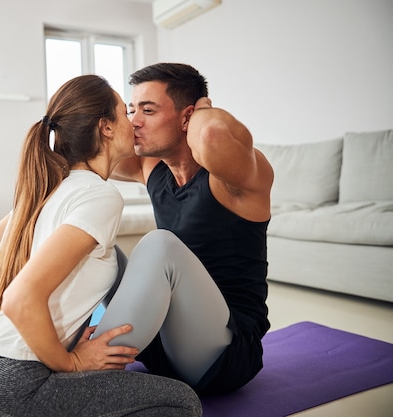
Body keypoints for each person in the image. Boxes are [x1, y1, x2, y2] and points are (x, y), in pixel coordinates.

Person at [0, 74, 202, 417]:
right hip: (4, 392)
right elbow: (21, 297)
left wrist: (51, 339)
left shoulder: (48, 188)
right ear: (105, 127)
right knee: (181, 403)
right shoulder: (100, 195)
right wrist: (70, 361)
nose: (133, 120)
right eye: (125, 112)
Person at [93, 63, 274, 395]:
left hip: (222, 353)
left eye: (148, 110)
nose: (135, 121)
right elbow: (91, 151)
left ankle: (89, 374)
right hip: (163, 347)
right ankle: (72, 346)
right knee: (94, 247)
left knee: (160, 245)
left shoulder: (232, 179)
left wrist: (202, 107)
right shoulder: (152, 169)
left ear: (187, 117)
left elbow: (212, 135)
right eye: (132, 110)